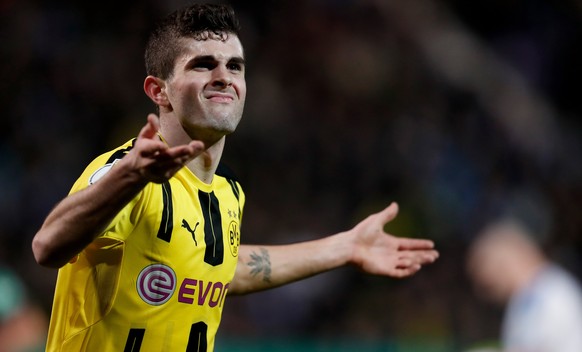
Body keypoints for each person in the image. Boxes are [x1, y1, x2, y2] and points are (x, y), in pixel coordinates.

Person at [31, 4, 439, 351]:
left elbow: (223, 270)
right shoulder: (126, 172)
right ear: (159, 91)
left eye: (234, 66)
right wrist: (131, 177)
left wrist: (345, 247)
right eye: (202, 64)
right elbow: (48, 245)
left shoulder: (228, 193)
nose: (223, 75)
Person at [467, 217, 582, 352]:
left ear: (503, 263)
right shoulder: (526, 296)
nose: (485, 291)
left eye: (487, 282)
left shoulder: (553, 291)